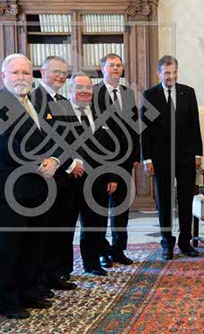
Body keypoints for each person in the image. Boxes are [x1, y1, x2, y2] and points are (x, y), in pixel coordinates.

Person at [0, 54, 61, 319]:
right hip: (8, 191)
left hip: (38, 187)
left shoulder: (36, 103)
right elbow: (6, 147)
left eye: (26, 73)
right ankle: (6, 301)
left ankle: (29, 293)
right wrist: (40, 162)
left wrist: (54, 159)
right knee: (10, 248)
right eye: (16, 73)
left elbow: (53, 137)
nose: (22, 78)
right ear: (4, 75)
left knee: (33, 245)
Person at [141, 56, 202, 260]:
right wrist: (147, 159)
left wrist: (198, 153)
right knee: (165, 203)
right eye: (167, 73)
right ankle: (167, 244)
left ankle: (185, 243)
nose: (171, 76)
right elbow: (145, 130)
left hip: (186, 157)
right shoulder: (150, 95)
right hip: (161, 159)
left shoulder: (188, 92)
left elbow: (195, 125)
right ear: (159, 73)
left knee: (185, 201)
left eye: (174, 72)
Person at [60, 73, 119, 276]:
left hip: (97, 180)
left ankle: (92, 263)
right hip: (69, 179)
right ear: (70, 90)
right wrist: (70, 165)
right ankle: (63, 269)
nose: (85, 91)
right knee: (66, 227)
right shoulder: (61, 113)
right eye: (80, 87)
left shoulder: (100, 113)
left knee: (95, 224)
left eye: (88, 87)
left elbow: (109, 148)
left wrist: (112, 176)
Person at [31, 55, 77, 290]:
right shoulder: (33, 100)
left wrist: (72, 161)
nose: (61, 76)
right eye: (56, 72)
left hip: (67, 177)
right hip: (47, 176)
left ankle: (58, 273)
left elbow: (73, 137)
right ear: (42, 72)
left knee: (63, 228)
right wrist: (65, 163)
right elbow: (42, 140)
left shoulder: (64, 102)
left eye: (64, 73)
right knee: (46, 232)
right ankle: (43, 279)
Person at [93, 53, 140, 267]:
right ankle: (102, 251)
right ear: (102, 68)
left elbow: (134, 126)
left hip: (125, 159)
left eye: (119, 65)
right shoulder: (94, 93)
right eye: (111, 65)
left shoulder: (127, 93)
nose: (115, 69)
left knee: (121, 208)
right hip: (102, 159)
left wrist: (136, 155)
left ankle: (118, 249)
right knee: (101, 208)